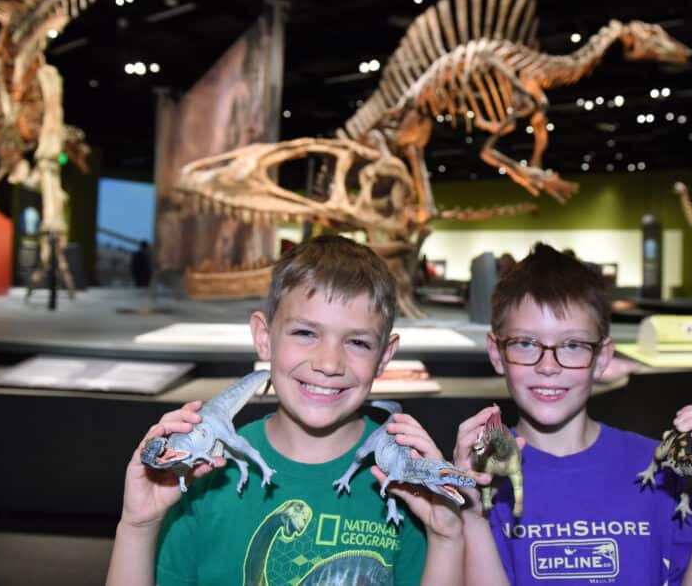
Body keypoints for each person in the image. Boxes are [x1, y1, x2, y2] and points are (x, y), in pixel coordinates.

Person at [106, 235, 464, 586]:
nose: (329, 363)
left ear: (384, 356)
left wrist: (446, 538)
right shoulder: (205, 476)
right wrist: (137, 526)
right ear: (264, 336)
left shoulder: (406, 487)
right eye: (306, 333)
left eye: (357, 342)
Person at [453, 243, 692, 585]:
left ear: (603, 358)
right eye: (526, 343)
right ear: (496, 352)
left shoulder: (660, 469)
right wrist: (472, 514)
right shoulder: (480, 477)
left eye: (572, 345)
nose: (548, 366)